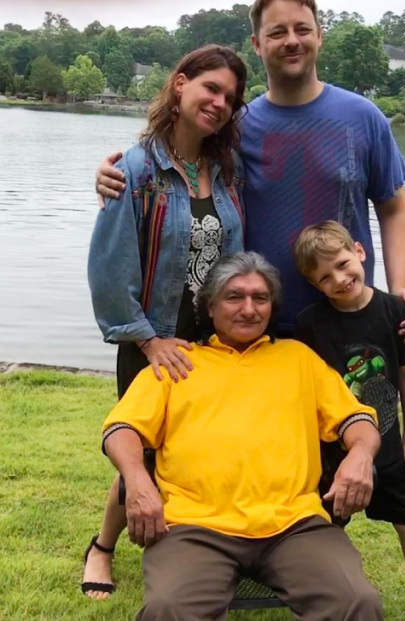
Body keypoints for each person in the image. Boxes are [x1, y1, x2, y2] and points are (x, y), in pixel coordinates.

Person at [94, 0, 405, 344]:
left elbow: (394, 207)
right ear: (257, 43)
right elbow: (177, 159)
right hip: (255, 327)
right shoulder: (235, 126)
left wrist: (399, 289)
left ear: (320, 37)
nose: (291, 40)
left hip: (347, 318)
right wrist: (114, 172)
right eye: (277, 32)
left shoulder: (363, 118)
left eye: (302, 29)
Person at [101, 252, 384, 621]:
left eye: (260, 298)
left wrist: (361, 454)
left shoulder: (298, 359)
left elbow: (356, 418)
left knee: (357, 603)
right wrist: (138, 481)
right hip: (194, 527)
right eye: (235, 297)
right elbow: (121, 429)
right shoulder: (176, 363)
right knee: (167, 610)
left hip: (294, 526)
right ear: (211, 306)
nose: (248, 309)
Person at [83, 45, 248, 599]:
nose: (220, 103)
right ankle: (102, 549)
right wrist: (149, 340)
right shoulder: (134, 170)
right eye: (211, 89)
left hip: (212, 342)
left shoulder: (225, 170)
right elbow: (110, 272)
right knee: (143, 448)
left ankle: (202, 549)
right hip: (153, 339)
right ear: (180, 85)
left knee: (201, 448)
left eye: (230, 97)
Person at [291, 221, 405, 621]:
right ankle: (319, 598)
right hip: (333, 453)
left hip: (389, 445)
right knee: (325, 529)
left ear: (360, 252)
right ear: (314, 285)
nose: (340, 279)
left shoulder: (396, 310)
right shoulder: (309, 324)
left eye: (344, 264)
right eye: (325, 277)